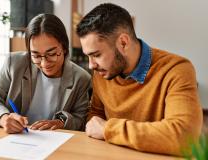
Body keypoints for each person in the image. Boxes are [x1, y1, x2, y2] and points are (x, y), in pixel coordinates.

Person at [76, 3, 202, 156]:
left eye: (96, 55)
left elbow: (185, 137)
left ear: (123, 43)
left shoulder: (176, 69)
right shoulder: (102, 72)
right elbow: (96, 115)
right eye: (88, 56)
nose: (91, 65)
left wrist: (108, 130)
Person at [0, 13, 91, 133]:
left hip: (56, 143)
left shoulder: (81, 78)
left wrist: (61, 122)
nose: (44, 63)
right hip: (16, 138)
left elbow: (81, 119)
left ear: (64, 48)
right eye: (36, 55)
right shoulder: (14, 64)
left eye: (52, 54)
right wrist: (3, 118)